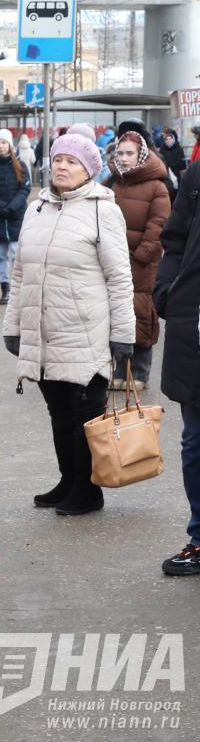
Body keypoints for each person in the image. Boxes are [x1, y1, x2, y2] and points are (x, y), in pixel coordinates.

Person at [2, 126, 135, 515]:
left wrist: (123, 336)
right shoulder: (36, 209)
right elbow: (21, 272)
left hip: (86, 332)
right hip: (44, 332)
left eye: (71, 162)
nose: (62, 166)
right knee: (59, 411)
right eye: (58, 159)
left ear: (89, 169)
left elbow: (119, 277)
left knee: (85, 415)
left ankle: (89, 489)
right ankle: (68, 479)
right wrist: (13, 327)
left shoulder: (103, 211)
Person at [154, 159, 200, 574]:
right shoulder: (197, 174)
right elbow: (175, 238)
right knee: (196, 445)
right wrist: (167, 293)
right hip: (195, 332)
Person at [104, 131, 170, 391]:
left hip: (142, 264)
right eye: (120, 153)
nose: (124, 158)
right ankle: (118, 371)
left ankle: (139, 374)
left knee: (141, 315)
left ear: (141, 154)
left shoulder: (157, 186)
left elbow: (160, 226)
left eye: (129, 153)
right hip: (113, 262)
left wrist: (140, 256)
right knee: (116, 316)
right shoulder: (112, 182)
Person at [0, 129, 30, 306]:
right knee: (1, 256)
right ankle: (5, 289)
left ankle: (18, 288)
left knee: (18, 254)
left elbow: (25, 188)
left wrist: (13, 206)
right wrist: (1, 206)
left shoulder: (21, 166)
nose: (1, 146)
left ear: (10, 145)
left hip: (16, 217)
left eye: (4, 142)